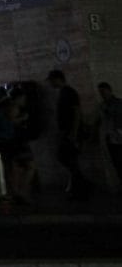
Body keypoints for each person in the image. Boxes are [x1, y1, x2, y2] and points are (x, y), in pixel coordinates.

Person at [48, 69, 90, 200]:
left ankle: (81, 188)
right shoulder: (63, 92)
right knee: (69, 160)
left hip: (70, 133)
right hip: (67, 132)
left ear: (57, 79)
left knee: (67, 158)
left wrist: (74, 133)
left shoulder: (69, 92)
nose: (50, 83)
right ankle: (81, 186)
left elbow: (77, 112)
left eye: (51, 80)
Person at [99, 81, 122, 185]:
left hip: (119, 136)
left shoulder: (118, 103)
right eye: (101, 93)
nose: (103, 94)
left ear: (109, 91)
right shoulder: (102, 105)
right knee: (117, 163)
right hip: (111, 137)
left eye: (104, 92)